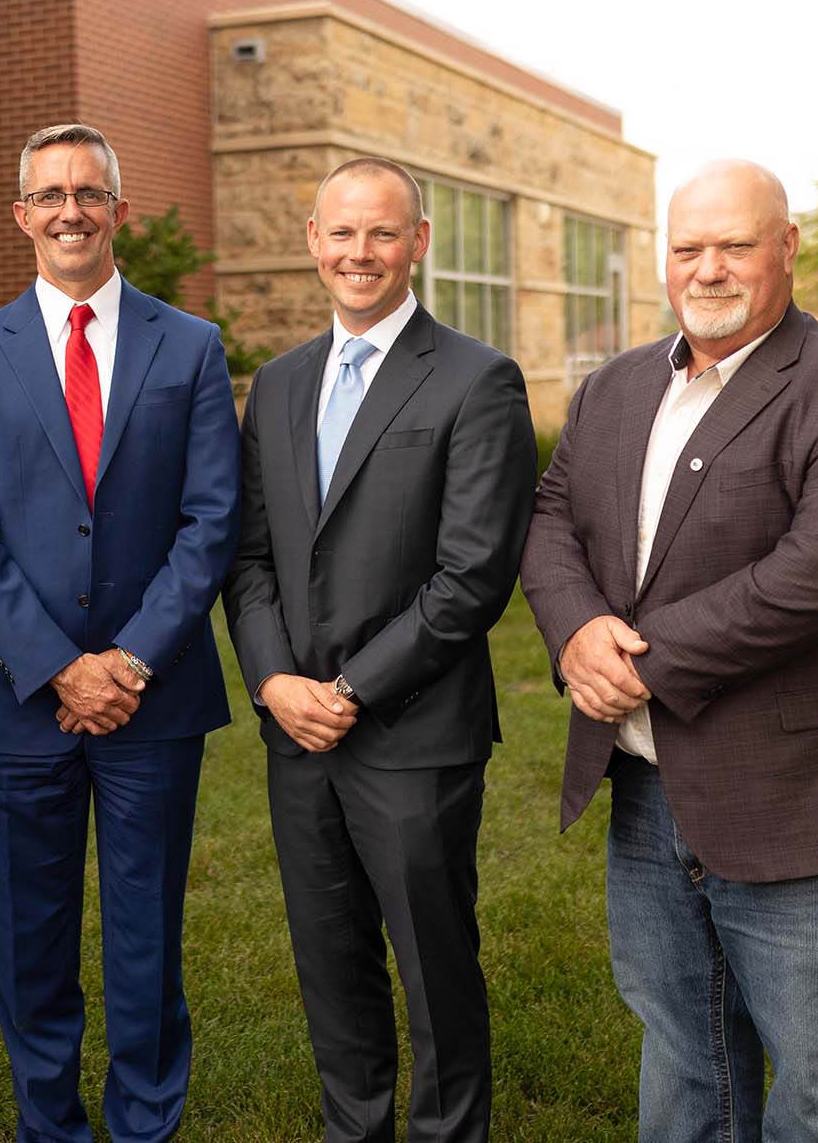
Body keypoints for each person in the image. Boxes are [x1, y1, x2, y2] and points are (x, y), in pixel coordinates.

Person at [520, 159, 818, 1142]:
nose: (707, 268)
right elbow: (551, 520)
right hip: (648, 790)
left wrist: (636, 658)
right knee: (685, 1064)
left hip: (804, 800)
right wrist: (578, 627)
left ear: (787, 249)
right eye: (687, 248)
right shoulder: (616, 388)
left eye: (734, 245)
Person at [0, 122, 239, 1143]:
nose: (71, 209)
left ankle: (147, 1121)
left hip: (156, 693)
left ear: (119, 209)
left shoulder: (188, 346)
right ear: (22, 214)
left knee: (148, 930)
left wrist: (130, 658)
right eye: (51, 193)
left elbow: (211, 520)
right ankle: (48, 1123)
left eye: (89, 191)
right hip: (21, 699)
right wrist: (62, 664)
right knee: (32, 932)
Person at [222, 157, 535, 1143]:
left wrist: (348, 689)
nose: (361, 252)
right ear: (314, 240)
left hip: (412, 729)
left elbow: (472, 575)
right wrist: (275, 681)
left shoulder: (478, 379)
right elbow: (251, 555)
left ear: (419, 243)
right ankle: (353, 1127)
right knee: (330, 957)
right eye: (342, 233)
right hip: (296, 734)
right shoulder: (276, 385)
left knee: (434, 966)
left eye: (383, 233)